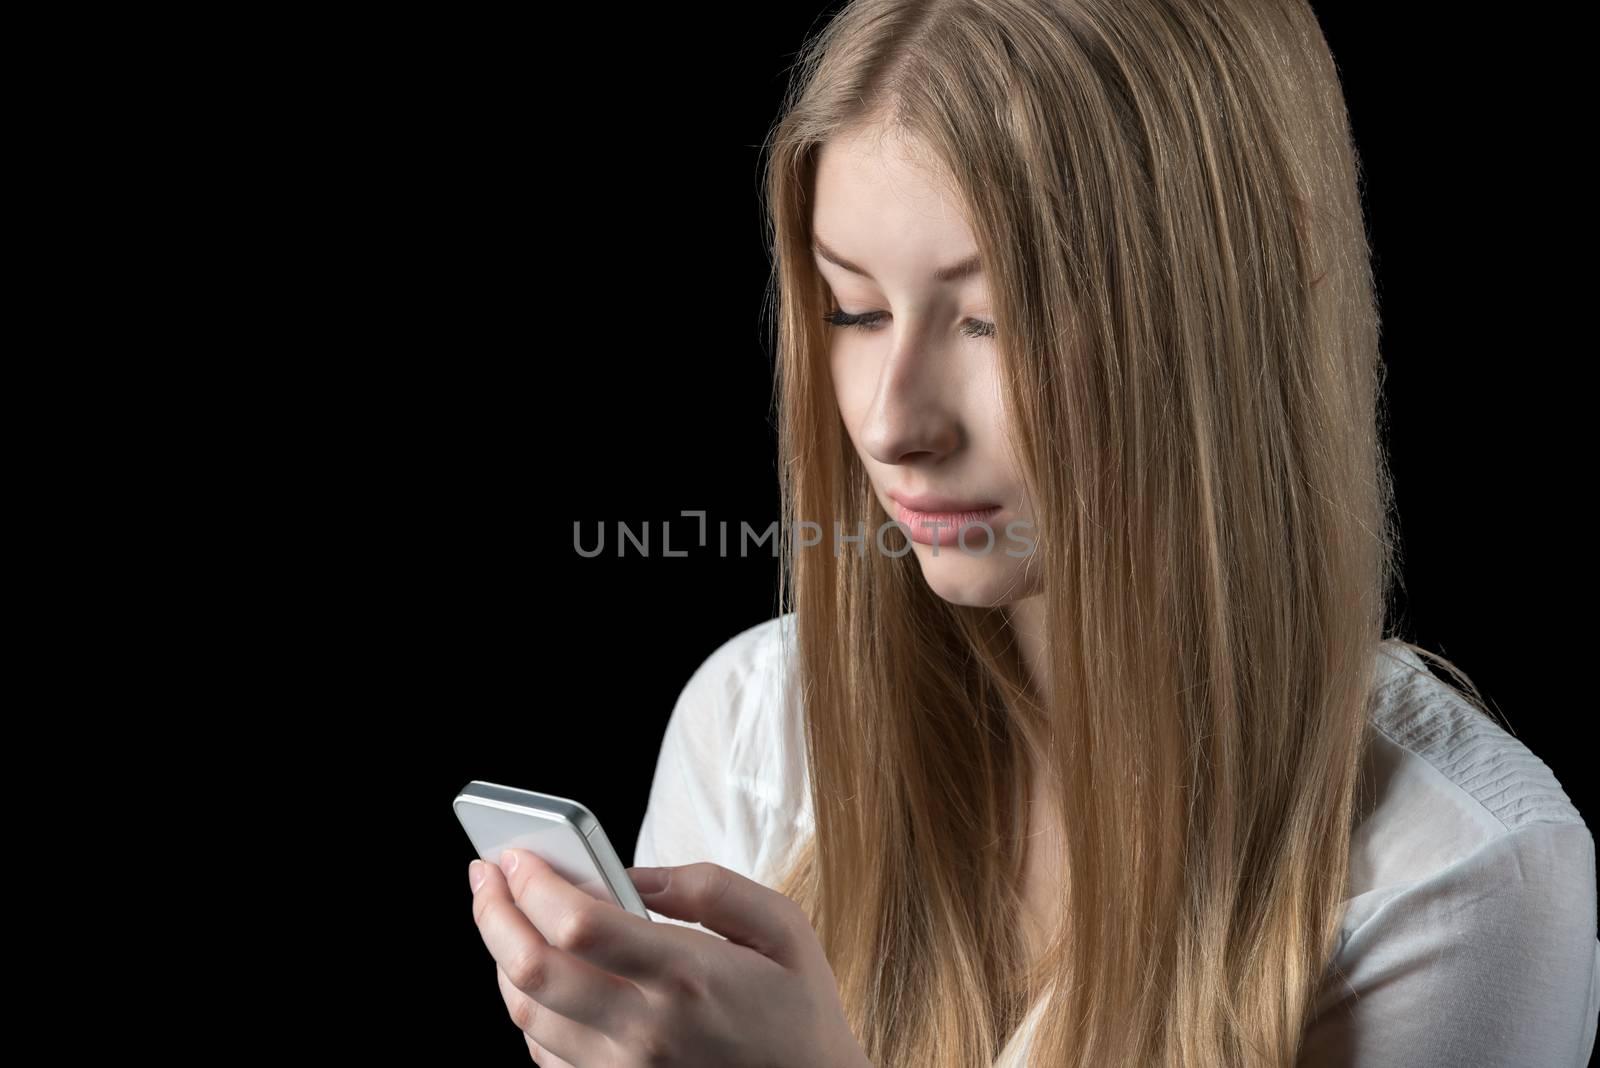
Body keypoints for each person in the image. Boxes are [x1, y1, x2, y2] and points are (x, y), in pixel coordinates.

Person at [469, 1, 1600, 1064]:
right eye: (852, 310)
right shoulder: (760, 730)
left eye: (991, 319)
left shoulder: (1457, 881)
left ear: (1216, 327)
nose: (888, 423)